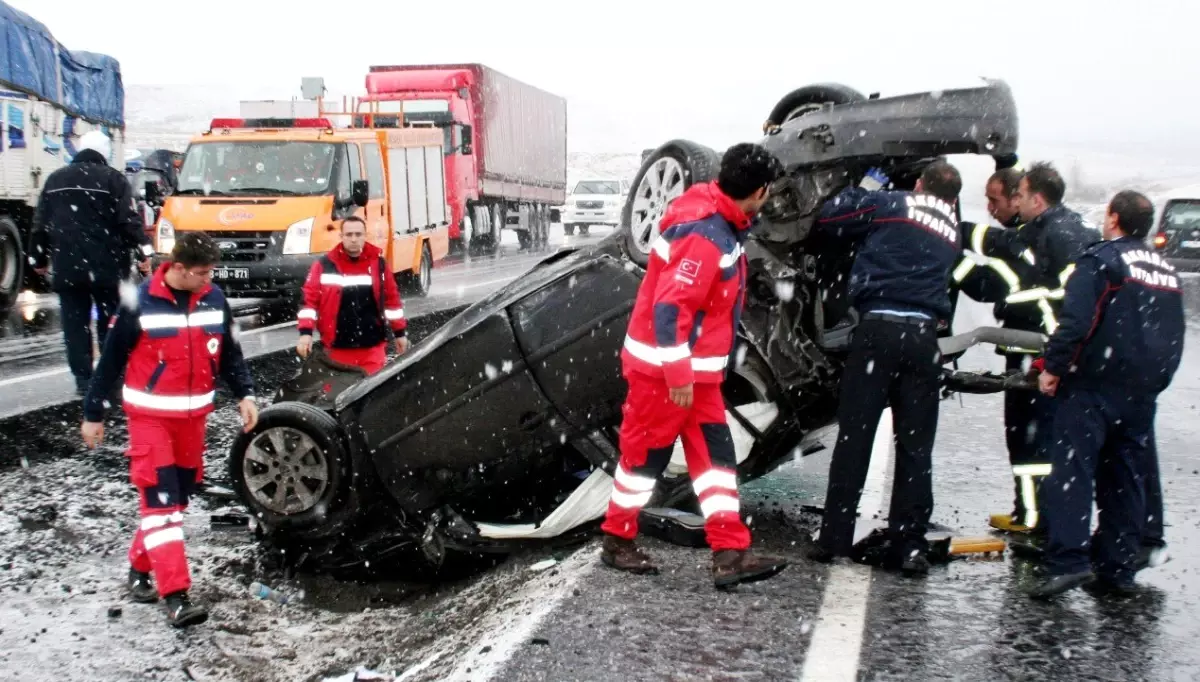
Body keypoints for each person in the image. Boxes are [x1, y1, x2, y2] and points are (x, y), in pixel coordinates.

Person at [599, 142, 788, 590]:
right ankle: (616, 538)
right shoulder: (705, 236)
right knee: (642, 462)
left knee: (714, 460)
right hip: (666, 377)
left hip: (695, 376)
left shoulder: (717, 219)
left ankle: (729, 552)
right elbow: (670, 311)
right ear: (759, 191)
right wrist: (679, 374)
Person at [80, 231, 258, 627]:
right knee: (161, 505)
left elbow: (230, 353)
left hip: (193, 421)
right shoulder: (140, 304)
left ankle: (139, 566)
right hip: (149, 419)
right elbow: (109, 362)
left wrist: (246, 394)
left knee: (176, 501)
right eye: (201, 273)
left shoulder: (213, 298)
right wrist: (94, 411)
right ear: (177, 268)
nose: (208, 280)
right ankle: (175, 594)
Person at [806, 160, 964, 576]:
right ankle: (908, 548)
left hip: (880, 333)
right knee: (915, 449)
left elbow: (832, 218)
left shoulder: (894, 203)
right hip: (924, 341)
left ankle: (834, 540)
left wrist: (866, 182)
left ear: (918, 183)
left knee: (855, 439)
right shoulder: (952, 228)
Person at [1028, 190, 1184, 599]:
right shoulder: (1166, 270)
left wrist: (1053, 369)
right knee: (1126, 479)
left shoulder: (1101, 260)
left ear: (1113, 218)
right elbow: (1173, 335)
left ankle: (1068, 562)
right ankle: (1118, 569)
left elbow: (1077, 322)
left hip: (1094, 386)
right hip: (1141, 393)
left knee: (1072, 473)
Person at [956, 161, 1098, 534]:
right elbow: (995, 243)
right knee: (1039, 433)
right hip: (1056, 349)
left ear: (1032, 198)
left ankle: (1035, 519)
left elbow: (997, 282)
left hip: (1039, 350)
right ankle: (1035, 514)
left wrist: (950, 258)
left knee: (1029, 432)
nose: (1000, 206)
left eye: (1006, 198)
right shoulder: (1066, 228)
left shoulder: (1041, 236)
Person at [29, 130, 155, 396]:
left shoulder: (55, 180)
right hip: (108, 269)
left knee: (75, 326)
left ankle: (84, 381)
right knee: (111, 323)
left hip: (68, 268)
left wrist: (38, 258)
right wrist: (145, 252)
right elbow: (127, 222)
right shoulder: (114, 180)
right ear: (105, 152)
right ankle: (111, 379)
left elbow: (39, 224)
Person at [296, 216, 409, 374]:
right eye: (349, 235)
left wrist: (400, 333)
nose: (354, 239)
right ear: (341, 236)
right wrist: (305, 333)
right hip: (336, 349)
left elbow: (392, 301)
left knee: (372, 393)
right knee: (339, 395)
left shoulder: (379, 265)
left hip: (372, 348)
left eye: (358, 234)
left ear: (365, 236)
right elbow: (309, 302)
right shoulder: (324, 265)